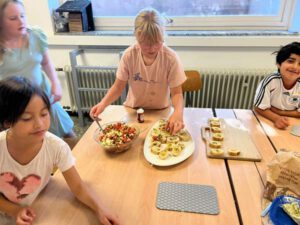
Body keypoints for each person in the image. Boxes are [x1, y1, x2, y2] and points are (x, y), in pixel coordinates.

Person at [0, 76, 122, 225]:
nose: (40, 124)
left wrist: (100, 208)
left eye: (44, 114)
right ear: (7, 121)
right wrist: (14, 210)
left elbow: (77, 186)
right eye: (27, 118)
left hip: (38, 211)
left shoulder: (56, 146)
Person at [90, 8, 186, 135]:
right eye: (146, 44)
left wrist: (178, 113)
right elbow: (118, 87)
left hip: (161, 111)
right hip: (133, 110)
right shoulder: (129, 55)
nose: (152, 49)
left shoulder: (171, 58)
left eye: (157, 42)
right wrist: (102, 104)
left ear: (163, 37)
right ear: (137, 37)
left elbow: (176, 93)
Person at [0, 0, 77, 148]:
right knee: (28, 144)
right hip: (14, 104)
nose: (21, 21)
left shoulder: (35, 35)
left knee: (68, 133)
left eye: (22, 15)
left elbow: (46, 63)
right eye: (13, 18)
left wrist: (56, 84)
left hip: (43, 96)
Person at [254, 42, 300, 129]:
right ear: (279, 64)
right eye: (290, 61)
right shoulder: (270, 81)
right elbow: (259, 108)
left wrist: (281, 113)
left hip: (293, 124)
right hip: (268, 120)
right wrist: (277, 118)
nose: (295, 67)